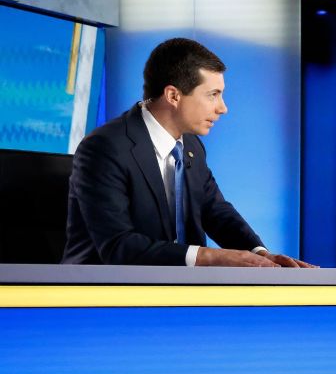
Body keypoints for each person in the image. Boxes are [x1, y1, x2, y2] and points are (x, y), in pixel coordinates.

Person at [63, 38, 313, 268]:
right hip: (100, 299)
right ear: (173, 95)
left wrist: (260, 254)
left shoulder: (191, 147)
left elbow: (216, 211)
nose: (223, 108)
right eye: (213, 95)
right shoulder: (104, 147)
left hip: (177, 296)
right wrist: (213, 257)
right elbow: (118, 247)